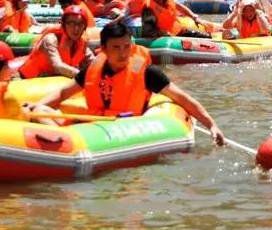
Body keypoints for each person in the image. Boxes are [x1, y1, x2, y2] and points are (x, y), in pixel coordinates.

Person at [32, 20, 225, 144]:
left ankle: (60, 141)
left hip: (124, 130)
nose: (123, 53)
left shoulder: (146, 72)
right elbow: (64, 93)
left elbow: (182, 98)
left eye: (126, 46)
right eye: (116, 47)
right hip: (93, 125)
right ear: (104, 49)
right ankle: (59, 142)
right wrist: (38, 106)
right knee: (36, 109)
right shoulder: (92, 69)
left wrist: (211, 125)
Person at [17, 5, 95, 78]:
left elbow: (94, 62)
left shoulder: (82, 44)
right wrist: (83, 77)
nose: (76, 28)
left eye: (80, 24)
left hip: (52, 81)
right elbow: (58, 66)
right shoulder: (50, 39)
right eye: (71, 23)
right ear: (64, 24)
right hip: (27, 79)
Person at [141, 0, 209, 39]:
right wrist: (162, 33)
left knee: (207, 37)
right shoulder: (148, 9)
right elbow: (147, 32)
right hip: (167, 38)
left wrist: (194, 17)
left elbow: (180, 7)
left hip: (179, 31)